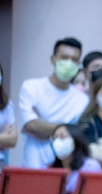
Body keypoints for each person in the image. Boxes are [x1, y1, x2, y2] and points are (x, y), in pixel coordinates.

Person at [20, 37, 89, 169]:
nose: (69, 63)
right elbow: (30, 125)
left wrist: (42, 124)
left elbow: (77, 133)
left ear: (79, 63)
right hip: (33, 163)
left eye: (74, 60)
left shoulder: (82, 99)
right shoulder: (31, 87)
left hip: (65, 165)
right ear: (53, 59)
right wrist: (67, 128)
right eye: (64, 57)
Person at [0, 62, 17, 169]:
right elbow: (6, 138)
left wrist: (7, 137)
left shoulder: (6, 104)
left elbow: (12, 139)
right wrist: (3, 136)